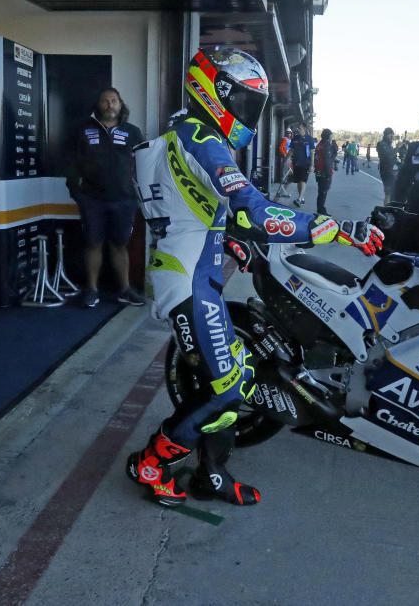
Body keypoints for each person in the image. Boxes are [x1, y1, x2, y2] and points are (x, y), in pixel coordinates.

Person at [127, 46, 383, 508]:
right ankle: (151, 462)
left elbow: (189, 209)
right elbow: (254, 211)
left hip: (194, 272)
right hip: (186, 280)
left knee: (229, 380)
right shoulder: (200, 138)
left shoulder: (190, 132)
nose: (248, 112)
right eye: (243, 101)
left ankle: (212, 473)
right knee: (228, 387)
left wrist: (226, 239)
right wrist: (337, 228)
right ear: (215, 92)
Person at [66, 87, 146, 308]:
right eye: (105, 101)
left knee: (120, 245)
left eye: (114, 100)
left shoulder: (133, 132)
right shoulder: (82, 130)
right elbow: (71, 163)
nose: (110, 104)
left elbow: (143, 164)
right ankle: (91, 290)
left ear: (121, 105)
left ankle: (125, 290)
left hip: (124, 199)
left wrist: (140, 194)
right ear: (98, 105)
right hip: (92, 199)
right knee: (93, 243)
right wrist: (75, 191)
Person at [289, 121, 316, 207]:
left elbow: (312, 153)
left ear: (304, 128)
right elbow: (291, 150)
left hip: (305, 164)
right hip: (296, 163)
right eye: (298, 128)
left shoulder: (310, 139)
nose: (298, 129)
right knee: (298, 181)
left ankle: (299, 198)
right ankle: (302, 197)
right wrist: (286, 160)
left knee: (303, 180)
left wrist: (312, 165)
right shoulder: (295, 138)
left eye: (299, 128)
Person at [314, 128, 336, 214]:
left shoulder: (320, 144)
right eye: (331, 135)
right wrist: (329, 173)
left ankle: (320, 209)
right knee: (323, 192)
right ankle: (321, 211)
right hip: (324, 172)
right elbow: (327, 160)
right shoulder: (326, 145)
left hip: (319, 171)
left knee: (321, 192)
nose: (331, 137)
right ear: (328, 136)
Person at [377, 127, 398, 204]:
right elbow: (388, 156)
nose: (392, 137)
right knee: (388, 193)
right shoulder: (381, 144)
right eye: (390, 135)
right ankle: (386, 210)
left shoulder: (389, 145)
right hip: (386, 171)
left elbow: (393, 157)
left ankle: (389, 208)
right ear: (386, 135)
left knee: (392, 192)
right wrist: (397, 148)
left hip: (391, 170)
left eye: (393, 135)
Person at [273, 127, 293, 199]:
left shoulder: (290, 140)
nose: (289, 134)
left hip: (289, 157)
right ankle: (283, 181)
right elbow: (281, 147)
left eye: (290, 133)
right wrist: (284, 155)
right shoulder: (285, 139)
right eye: (288, 133)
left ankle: (284, 181)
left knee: (288, 170)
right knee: (285, 170)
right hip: (286, 157)